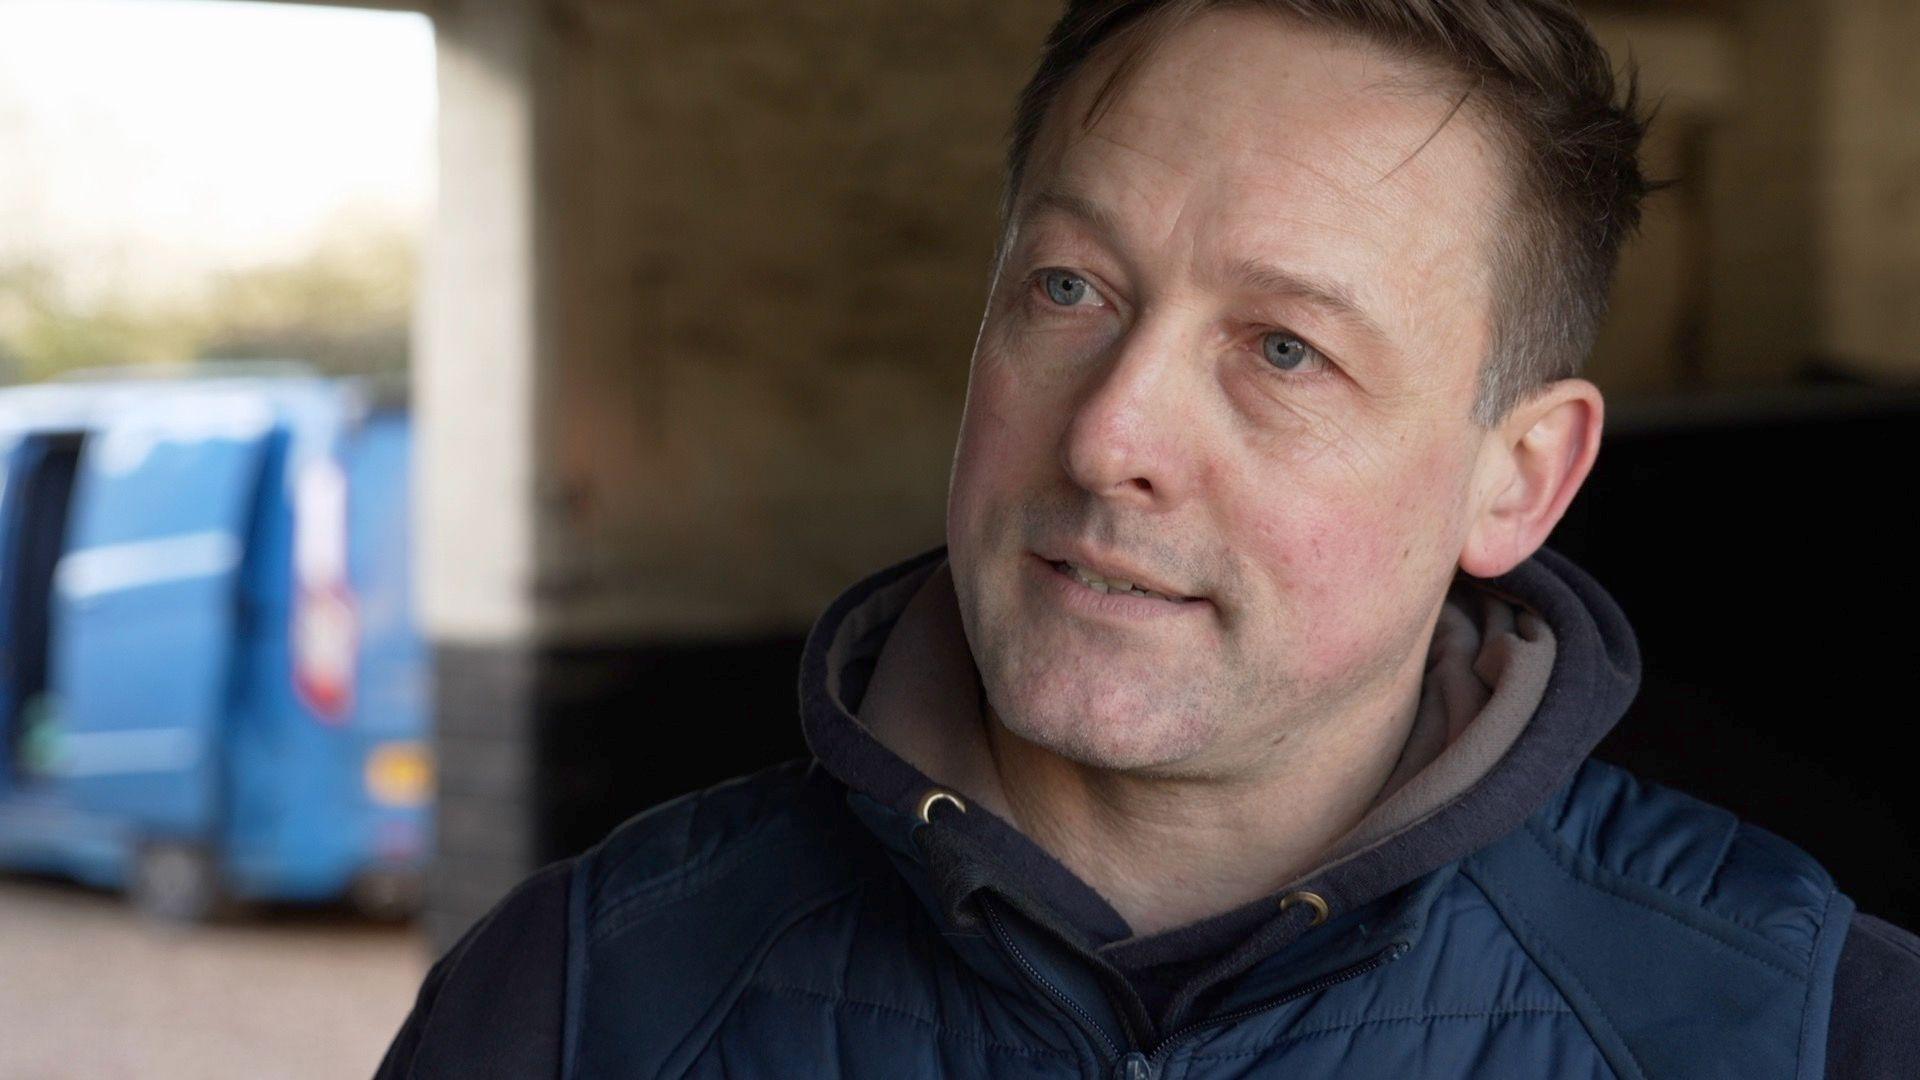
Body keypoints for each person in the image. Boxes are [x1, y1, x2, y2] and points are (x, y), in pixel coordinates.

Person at [377, 2, 1920, 1076]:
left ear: (1515, 479)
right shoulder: (575, 1000)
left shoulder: (1811, 1030)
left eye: (1285, 351)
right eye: (1070, 291)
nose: (1111, 436)